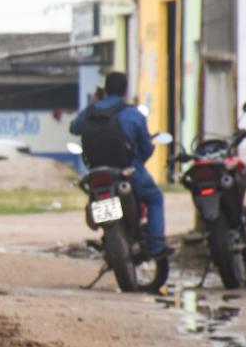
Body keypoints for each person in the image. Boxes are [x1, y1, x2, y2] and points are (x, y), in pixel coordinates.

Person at [70, 71, 171, 258]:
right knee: (155, 198)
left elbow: (74, 128)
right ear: (125, 90)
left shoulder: (91, 112)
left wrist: (92, 104)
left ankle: (108, 236)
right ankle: (156, 246)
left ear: (105, 90)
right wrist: (136, 163)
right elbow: (146, 149)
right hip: (127, 173)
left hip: (97, 174)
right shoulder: (133, 114)